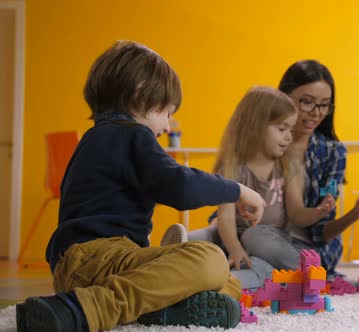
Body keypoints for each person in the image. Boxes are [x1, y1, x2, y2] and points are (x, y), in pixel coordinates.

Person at [16, 41, 266, 332]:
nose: (168, 127)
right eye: (167, 113)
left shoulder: (96, 137)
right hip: (96, 259)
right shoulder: (131, 134)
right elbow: (180, 187)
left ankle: (161, 310)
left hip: (84, 265)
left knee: (228, 284)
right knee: (210, 258)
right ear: (140, 92)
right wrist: (238, 190)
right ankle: (88, 309)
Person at [162, 86, 320, 289]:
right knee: (202, 237)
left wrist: (317, 212)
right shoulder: (232, 167)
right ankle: (177, 255)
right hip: (230, 236)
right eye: (282, 129)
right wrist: (235, 248)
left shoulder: (286, 166)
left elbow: (295, 212)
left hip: (270, 237)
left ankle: (219, 281)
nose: (289, 136)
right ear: (255, 127)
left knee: (254, 243)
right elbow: (225, 217)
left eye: (290, 129)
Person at [278, 60, 359, 280]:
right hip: (260, 235)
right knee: (216, 239)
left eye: (324, 105)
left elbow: (322, 232)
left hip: (308, 247)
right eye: (307, 102)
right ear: (283, 98)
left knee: (260, 260)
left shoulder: (332, 152)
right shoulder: (264, 143)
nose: (316, 113)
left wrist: (354, 212)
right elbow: (237, 191)